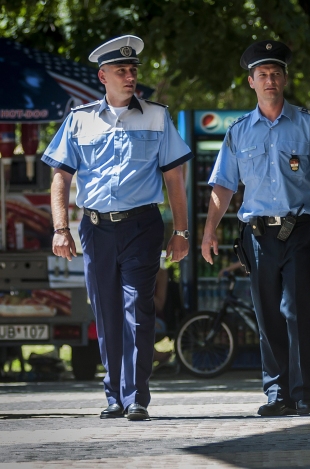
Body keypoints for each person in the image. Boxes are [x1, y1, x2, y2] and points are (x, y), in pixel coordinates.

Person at [44, 35, 192, 421]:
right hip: (95, 230)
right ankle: (113, 395)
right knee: (107, 312)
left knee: (138, 310)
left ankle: (136, 396)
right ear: (103, 76)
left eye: (133, 70)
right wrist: (61, 229)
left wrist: (181, 231)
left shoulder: (157, 116)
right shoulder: (79, 120)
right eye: (122, 71)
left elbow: (175, 179)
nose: (130, 76)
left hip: (143, 226)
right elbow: (60, 177)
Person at [201, 40, 310, 417]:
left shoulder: (308, 123)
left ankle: (304, 393)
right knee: (267, 312)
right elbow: (223, 186)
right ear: (251, 81)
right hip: (257, 235)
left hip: (300, 229)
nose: (270, 80)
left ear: (284, 79)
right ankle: (276, 392)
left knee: (297, 309)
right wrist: (208, 230)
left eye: (276, 73)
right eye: (262, 74)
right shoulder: (237, 132)